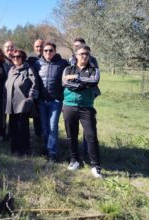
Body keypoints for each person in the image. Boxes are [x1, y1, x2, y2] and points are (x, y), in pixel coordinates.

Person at [62, 44, 102, 178]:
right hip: (69, 106)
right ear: (75, 55)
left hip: (87, 107)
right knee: (71, 135)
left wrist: (77, 79)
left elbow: (94, 81)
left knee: (91, 136)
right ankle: (74, 161)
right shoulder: (68, 68)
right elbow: (65, 83)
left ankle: (95, 166)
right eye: (81, 54)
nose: (84, 56)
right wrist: (83, 83)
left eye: (87, 54)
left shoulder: (94, 70)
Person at [69, 37, 101, 160]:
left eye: (80, 45)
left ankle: (87, 152)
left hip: (88, 95)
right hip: (73, 97)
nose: (78, 48)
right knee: (73, 127)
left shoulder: (92, 60)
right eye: (76, 46)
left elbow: (93, 77)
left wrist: (77, 78)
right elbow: (66, 78)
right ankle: (75, 155)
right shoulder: (70, 59)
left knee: (87, 127)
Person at [37, 41, 68, 161]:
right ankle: (46, 148)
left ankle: (52, 153)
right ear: (42, 52)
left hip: (55, 101)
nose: (48, 52)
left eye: (50, 50)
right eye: (46, 50)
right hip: (41, 101)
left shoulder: (62, 63)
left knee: (53, 126)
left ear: (55, 51)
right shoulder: (37, 63)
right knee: (44, 127)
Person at [5, 49, 38, 155]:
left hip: (22, 103)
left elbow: (35, 84)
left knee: (22, 127)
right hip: (11, 103)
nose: (15, 58)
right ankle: (14, 147)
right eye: (13, 57)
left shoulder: (29, 70)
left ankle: (24, 149)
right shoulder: (11, 70)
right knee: (13, 126)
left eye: (18, 56)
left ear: (23, 58)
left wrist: (30, 99)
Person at [27, 38, 45, 138]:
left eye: (41, 46)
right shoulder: (30, 60)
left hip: (47, 94)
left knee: (45, 118)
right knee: (36, 116)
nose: (39, 48)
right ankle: (39, 136)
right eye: (37, 46)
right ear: (34, 47)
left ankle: (45, 136)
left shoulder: (49, 57)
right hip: (35, 93)